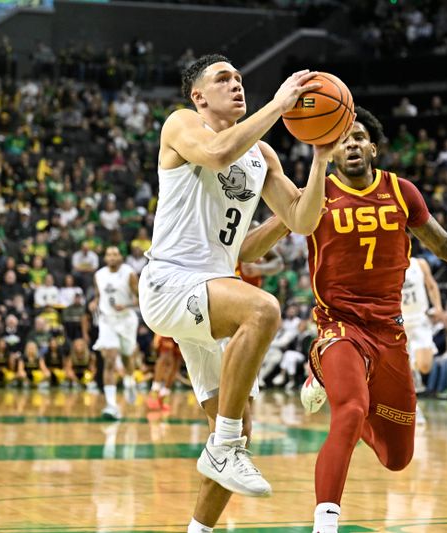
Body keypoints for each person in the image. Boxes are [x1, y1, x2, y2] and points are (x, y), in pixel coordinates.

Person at [241, 106, 447, 533]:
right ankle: (325, 522)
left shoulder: (401, 192)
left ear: (374, 148)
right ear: (329, 145)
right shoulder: (317, 194)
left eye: (360, 136)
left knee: (396, 459)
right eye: (343, 137)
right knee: (350, 411)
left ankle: (337, 386)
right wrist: (270, 227)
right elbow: (250, 252)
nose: (352, 144)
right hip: (339, 325)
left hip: (389, 331)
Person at [137, 54, 343, 533]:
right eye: (223, 79)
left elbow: (301, 220)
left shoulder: (262, 156)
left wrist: (318, 159)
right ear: (199, 95)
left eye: (239, 79)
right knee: (263, 309)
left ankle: (201, 523)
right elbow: (216, 155)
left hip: (212, 289)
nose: (235, 85)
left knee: (239, 427)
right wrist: (278, 104)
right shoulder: (182, 124)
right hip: (170, 282)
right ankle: (225, 446)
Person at [89, 246, 139, 420]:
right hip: (107, 320)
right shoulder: (99, 275)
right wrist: (94, 302)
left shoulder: (129, 273)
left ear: (120, 257)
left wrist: (127, 305)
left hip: (126, 320)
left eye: (115, 254)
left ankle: (130, 381)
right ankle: (111, 405)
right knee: (109, 359)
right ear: (104, 258)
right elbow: (98, 295)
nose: (112, 257)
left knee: (126, 358)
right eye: (109, 254)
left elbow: (140, 299)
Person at [401, 255, 443, 403]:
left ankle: (413, 367)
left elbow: (431, 285)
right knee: (401, 369)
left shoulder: (419, 263)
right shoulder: (388, 265)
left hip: (420, 320)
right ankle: (412, 406)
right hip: (399, 321)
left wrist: (438, 307)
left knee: (425, 366)